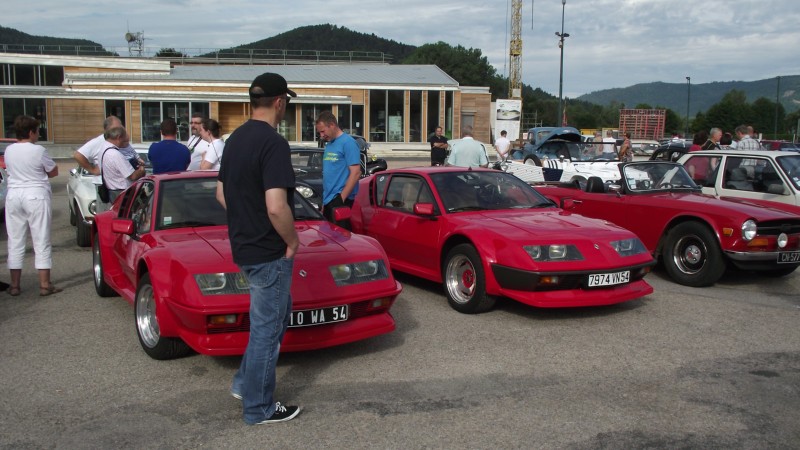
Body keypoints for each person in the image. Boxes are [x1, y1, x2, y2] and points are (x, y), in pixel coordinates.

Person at [215, 72, 301, 425]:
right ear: (280, 102)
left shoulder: (234, 139)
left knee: (273, 320)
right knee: (268, 329)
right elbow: (276, 206)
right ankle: (259, 407)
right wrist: (292, 241)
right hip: (269, 251)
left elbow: (221, 195)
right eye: (287, 104)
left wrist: (246, 220)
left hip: (244, 247)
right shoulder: (273, 143)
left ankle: (243, 384)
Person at [5, 115, 61, 297]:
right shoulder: (38, 150)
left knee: (15, 240)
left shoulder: (9, 150)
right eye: (37, 131)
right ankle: (45, 284)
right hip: (35, 194)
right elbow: (53, 171)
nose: (38, 134)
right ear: (31, 132)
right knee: (41, 239)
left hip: (14, 195)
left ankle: (14, 285)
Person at [73, 116, 141, 203]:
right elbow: (78, 155)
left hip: (123, 185)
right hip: (106, 187)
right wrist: (93, 170)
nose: (120, 129)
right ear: (108, 129)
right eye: (117, 127)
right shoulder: (100, 141)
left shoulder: (119, 140)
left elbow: (131, 153)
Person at [315, 110, 361, 226]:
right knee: (328, 238)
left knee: (340, 238)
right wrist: (325, 202)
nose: (321, 135)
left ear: (332, 125)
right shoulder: (330, 144)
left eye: (323, 131)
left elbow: (356, 173)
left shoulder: (348, 143)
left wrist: (341, 199)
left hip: (340, 199)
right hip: (328, 199)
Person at [100, 126, 146, 204]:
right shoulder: (115, 154)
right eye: (125, 140)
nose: (126, 144)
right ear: (119, 137)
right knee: (125, 215)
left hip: (112, 191)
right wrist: (142, 170)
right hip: (122, 193)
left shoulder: (103, 149)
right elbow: (133, 176)